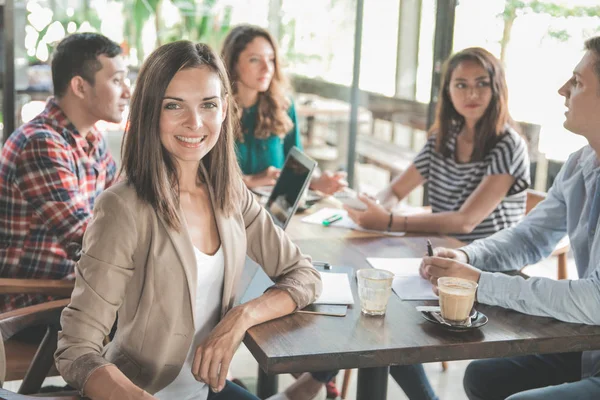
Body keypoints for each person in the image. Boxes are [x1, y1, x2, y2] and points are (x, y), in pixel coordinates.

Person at [54, 41, 322, 400]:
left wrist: (239, 319)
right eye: (173, 105)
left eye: (208, 105)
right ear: (150, 112)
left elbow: (303, 274)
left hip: (205, 390)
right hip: (140, 392)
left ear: (225, 109)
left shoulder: (230, 194)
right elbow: (76, 349)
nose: (195, 123)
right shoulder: (122, 207)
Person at [421, 36, 600, 400]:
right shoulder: (581, 163)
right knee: (483, 378)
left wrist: (479, 283)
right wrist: (469, 257)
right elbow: (530, 237)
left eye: (578, 82)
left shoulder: (507, 143)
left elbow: (595, 301)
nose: (563, 90)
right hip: (591, 348)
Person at [345, 47, 530, 244]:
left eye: (482, 83)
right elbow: (396, 190)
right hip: (443, 247)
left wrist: (389, 222)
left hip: (489, 257)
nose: (472, 94)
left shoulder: (508, 145)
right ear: (448, 91)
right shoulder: (443, 139)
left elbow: (465, 222)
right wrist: (374, 206)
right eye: (461, 85)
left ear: (497, 89)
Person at [0, 32, 130, 312]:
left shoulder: (93, 139)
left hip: (74, 291)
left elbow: (122, 211)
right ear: (80, 87)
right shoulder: (41, 143)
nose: (127, 92)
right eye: (117, 81)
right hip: (32, 303)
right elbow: (86, 237)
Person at [221, 24, 347, 196]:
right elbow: (201, 177)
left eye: (271, 59)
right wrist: (250, 180)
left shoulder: (283, 105)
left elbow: (295, 163)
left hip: (273, 209)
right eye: (255, 59)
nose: (267, 68)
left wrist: (317, 182)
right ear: (233, 63)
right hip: (230, 208)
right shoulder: (216, 109)